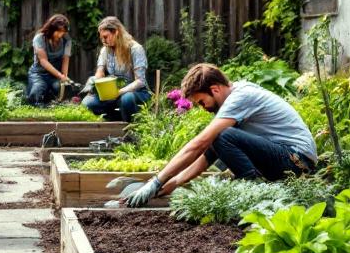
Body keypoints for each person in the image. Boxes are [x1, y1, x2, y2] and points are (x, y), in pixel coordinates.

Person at [121, 63, 318, 207]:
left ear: (215, 89)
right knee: (221, 139)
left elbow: (200, 143)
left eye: (201, 101)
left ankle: (252, 194)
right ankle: (253, 188)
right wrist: (173, 183)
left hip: (296, 160)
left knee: (221, 136)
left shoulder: (240, 97)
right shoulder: (235, 99)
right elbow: (210, 153)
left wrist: (156, 181)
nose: (203, 108)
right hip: (289, 159)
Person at [81, 16, 151, 122]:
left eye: (106, 37)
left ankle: (132, 128)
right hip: (112, 92)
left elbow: (140, 81)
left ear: (116, 32)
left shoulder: (135, 49)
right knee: (87, 103)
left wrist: (118, 92)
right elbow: (100, 72)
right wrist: (95, 85)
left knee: (126, 100)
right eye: (101, 38)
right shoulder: (105, 50)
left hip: (136, 92)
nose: (103, 41)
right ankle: (115, 121)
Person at [26, 13, 74, 105]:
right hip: (39, 74)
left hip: (55, 76)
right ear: (51, 28)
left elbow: (66, 58)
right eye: (58, 31)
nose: (61, 34)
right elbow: (43, 61)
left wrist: (64, 76)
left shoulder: (67, 40)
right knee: (38, 90)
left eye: (63, 32)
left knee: (61, 89)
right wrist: (60, 76)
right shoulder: (39, 38)